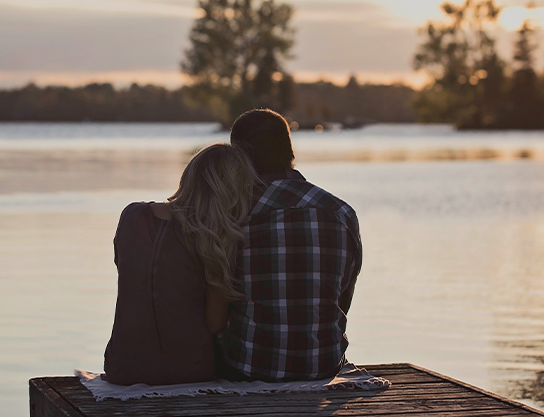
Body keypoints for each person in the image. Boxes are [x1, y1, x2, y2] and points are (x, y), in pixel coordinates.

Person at [217, 108, 362, 382]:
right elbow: (342, 298)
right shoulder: (342, 212)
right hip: (323, 366)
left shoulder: (233, 214)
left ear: (240, 156)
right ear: (290, 151)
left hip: (246, 368)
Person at [103, 143, 257, 385]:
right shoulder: (216, 238)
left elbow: (126, 269)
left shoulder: (132, 215)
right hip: (189, 371)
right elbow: (214, 323)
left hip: (122, 366)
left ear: (189, 176)